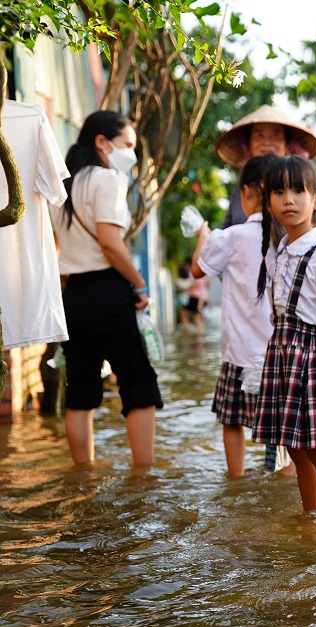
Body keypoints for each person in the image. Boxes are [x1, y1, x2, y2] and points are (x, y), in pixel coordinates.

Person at [53, 110, 162, 467]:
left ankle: (82, 474)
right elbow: (110, 243)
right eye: (126, 144)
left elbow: (56, 242)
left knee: (81, 392)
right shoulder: (108, 180)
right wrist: (139, 282)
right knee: (138, 384)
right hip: (108, 292)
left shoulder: (64, 185)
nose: (130, 153)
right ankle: (144, 477)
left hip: (72, 295)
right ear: (102, 142)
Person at [252, 156, 316, 516]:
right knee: (295, 446)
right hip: (284, 353)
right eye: (278, 192)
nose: (288, 200)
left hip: (314, 356)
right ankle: (312, 515)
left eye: (298, 191)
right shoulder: (281, 249)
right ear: (268, 203)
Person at [191, 154, 277, 478]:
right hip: (280, 353)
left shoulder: (230, 237)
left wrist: (203, 236)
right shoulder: (291, 238)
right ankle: (282, 476)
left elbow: (198, 269)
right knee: (281, 427)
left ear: (246, 193)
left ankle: (236, 477)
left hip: (239, 352)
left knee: (232, 420)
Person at [215, 105, 316, 229]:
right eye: (259, 135)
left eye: (275, 135)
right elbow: (226, 228)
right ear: (248, 145)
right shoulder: (244, 187)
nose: (266, 142)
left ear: (287, 145)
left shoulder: (303, 181)